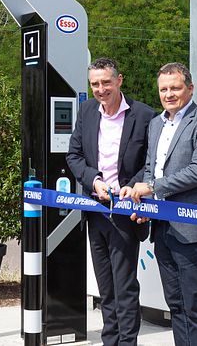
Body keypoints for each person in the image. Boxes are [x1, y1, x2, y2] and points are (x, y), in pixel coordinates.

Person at [121, 62, 197, 346]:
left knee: (196, 306)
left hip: (195, 228)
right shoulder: (156, 124)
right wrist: (144, 202)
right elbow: (149, 168)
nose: (169, 94)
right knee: (176, 304)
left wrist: (152, 187)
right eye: (164, 89)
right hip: (163, 227)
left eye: (175, 88)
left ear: (190, 89)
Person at [66, 57, 155, 346]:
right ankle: (110, 341)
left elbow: (151, 163)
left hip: (126, 209)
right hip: (95, 209)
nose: (101, 89)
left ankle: (127, 343)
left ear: (119, 80)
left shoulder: (144, 115)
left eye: (106, 82)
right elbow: (74, 156)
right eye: (95, 84)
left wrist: (131, 187)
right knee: (106, 286)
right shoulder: (88, 111)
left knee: (124, 285)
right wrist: (94, 180)